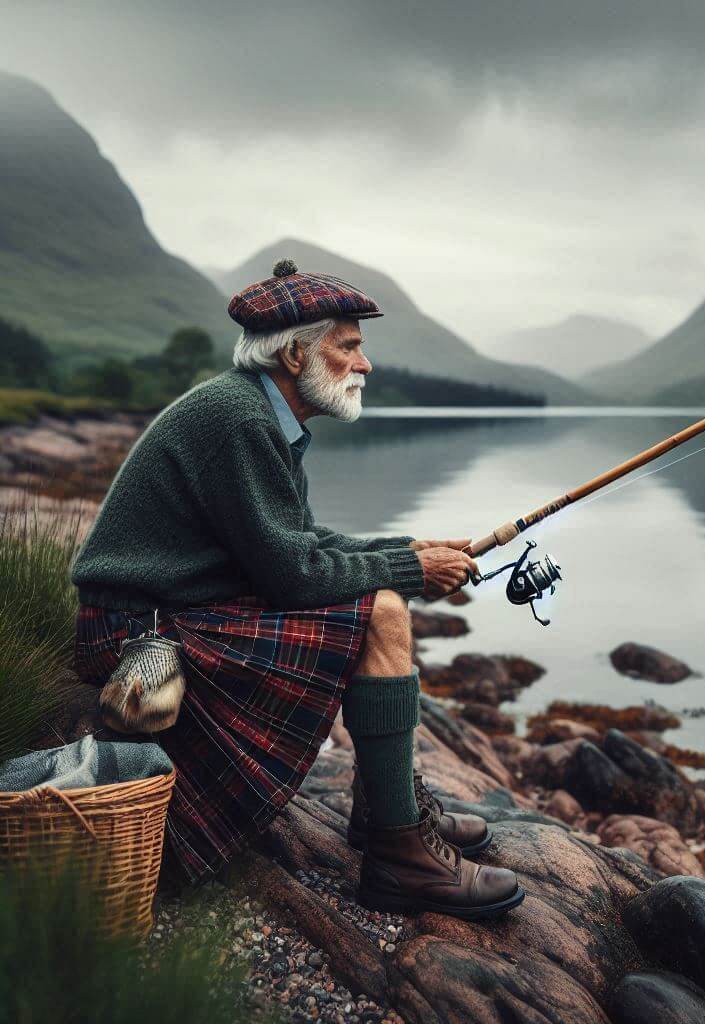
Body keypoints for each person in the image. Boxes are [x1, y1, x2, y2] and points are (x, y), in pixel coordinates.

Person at [69, 258, 526, 920]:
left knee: (385, 599)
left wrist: (408, 549)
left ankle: (386, 811)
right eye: (349, 347)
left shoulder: (260, 413)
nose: (364, 365)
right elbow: (293, 576)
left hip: (177, 608)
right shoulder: (241, 420)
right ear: (294, 352)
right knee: (382, 614)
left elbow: (296, 541)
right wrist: (410, 572)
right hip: (138, 633)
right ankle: (399, 854)